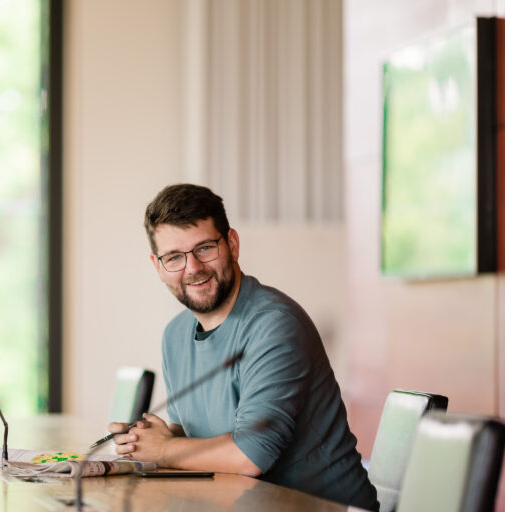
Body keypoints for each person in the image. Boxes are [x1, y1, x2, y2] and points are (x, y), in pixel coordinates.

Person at [107, 183, 379, 511]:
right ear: (158, 267)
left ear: (232, 244)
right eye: (174, 257)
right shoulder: (175, 335)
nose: (192, 268)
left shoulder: (274, 324)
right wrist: (150, 438)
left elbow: (251, 456)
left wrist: (163, 450)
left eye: (205, 248)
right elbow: (192, 434)